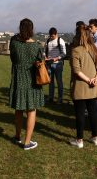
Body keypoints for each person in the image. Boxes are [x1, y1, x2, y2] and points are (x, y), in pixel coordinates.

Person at [9, 18, 44, 150]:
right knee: (31, 110)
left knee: (18, 109)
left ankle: (17, 136)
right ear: (32, 29)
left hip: (18, 78)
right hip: (32, 80)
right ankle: (27, 142)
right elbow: (41, 62)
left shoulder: (14, 44)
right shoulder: (36, 46)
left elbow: (12, 59)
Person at [70, 24, 97, 148]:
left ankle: (79, 140)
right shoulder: (96, 49)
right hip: (94, 85)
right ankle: (95, 137)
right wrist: (95, 79)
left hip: (81, 85)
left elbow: (76, 70)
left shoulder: (75, 50)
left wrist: (90, 80)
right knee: (93, 111)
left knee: (80, 113)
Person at [45, 27, 66, 104]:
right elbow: (45, 51)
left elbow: (64, 53)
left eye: (53, 36)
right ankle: (51, 98)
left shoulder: (60, 40)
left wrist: (56, 58)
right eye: (50, 36)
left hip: (58, 64)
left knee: (59, 82)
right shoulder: (48, 40)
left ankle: (60, 99)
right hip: (49, 64)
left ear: (56, 34)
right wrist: (45, 57)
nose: (51, 37)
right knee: (50, 82)